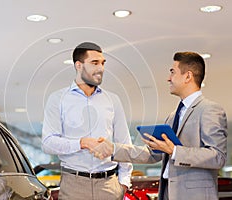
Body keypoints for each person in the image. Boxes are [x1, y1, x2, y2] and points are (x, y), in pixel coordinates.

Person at [93, 51, 228, 200]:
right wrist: (113, 149)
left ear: (188, 76)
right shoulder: (172, 116)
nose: (168, 78)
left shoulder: (210, 110)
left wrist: (175, 151)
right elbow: (152, 153)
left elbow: (218, 157)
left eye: (172, 72)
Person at [41, 42, 133, 199]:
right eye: (94, 63)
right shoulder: (58, 99)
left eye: (103, 63)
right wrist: (82, 143)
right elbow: (48, 143)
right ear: (79, 65)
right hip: (73, 185)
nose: (101, 68)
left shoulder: (113, 100)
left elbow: (124, 144)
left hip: (109, 185)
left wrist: (123, 183)